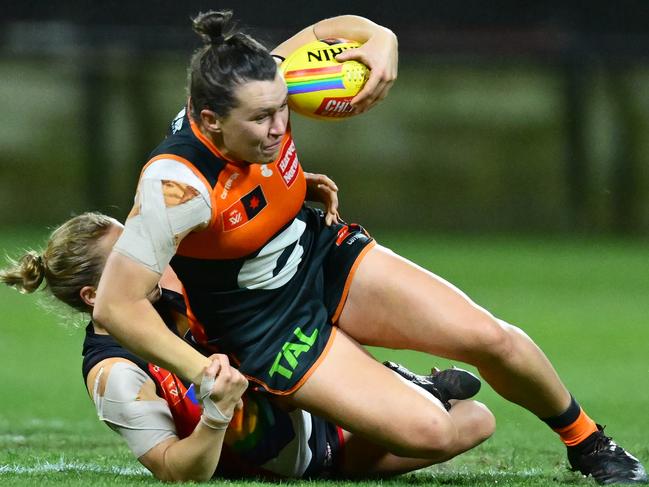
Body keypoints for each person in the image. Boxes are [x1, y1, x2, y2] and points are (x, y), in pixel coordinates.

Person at [89, 10, 647, 485]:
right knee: (441, 430)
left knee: (489, 338)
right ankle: (408, 387)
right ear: (208, 120)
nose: (280, 126)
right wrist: (203, 371)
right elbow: (117, 304)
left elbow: (343, 32)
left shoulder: (260, 83)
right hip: (266, 325)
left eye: (283, 109)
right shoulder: (175, 185)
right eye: (260, 119)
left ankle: (589, 443)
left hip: (321, 254)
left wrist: (383, 38)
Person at [1, 212, 494, 482]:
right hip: (304, 453)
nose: (147, 252)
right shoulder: (115, 375)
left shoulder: (175, 274)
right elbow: (175, 470)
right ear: (94, 296)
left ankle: (397, 385)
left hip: (311, 378)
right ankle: (406, 389)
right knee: (473, 422)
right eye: (128, 252)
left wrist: (301, 202)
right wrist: (216, 414)